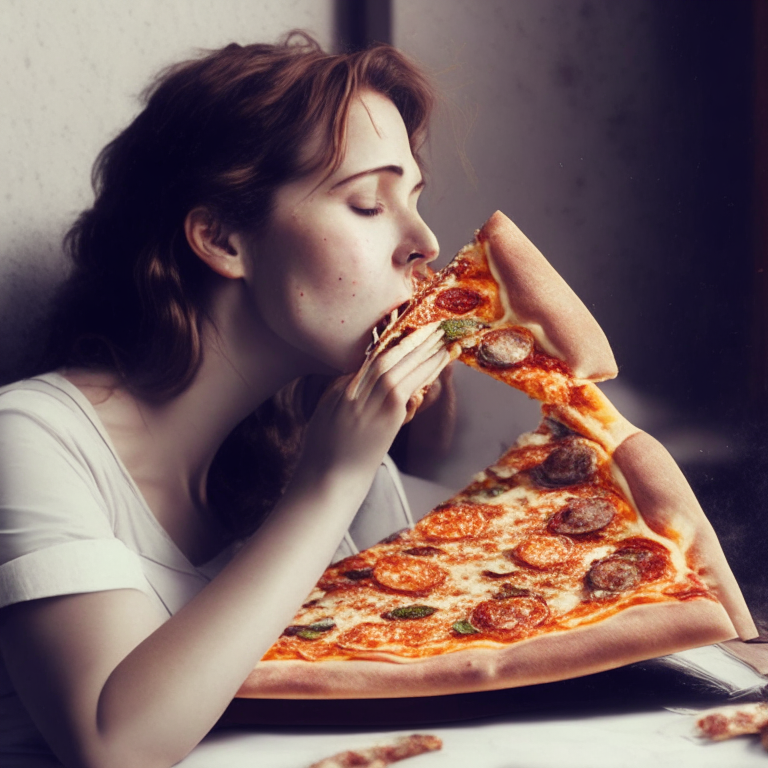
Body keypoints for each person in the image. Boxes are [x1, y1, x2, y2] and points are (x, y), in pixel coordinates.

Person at [0, 33, 453, 768]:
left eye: (416, 200)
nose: (426, 243)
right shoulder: (30, 440)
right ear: (221, 237)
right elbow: (116, 747)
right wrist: (329, 483)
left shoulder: (344, 472)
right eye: (368, 203)